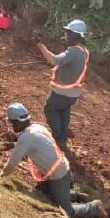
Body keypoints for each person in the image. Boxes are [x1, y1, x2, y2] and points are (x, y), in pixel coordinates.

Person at [0, 102, 106, 218]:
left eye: (12, 122)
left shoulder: (26, 138)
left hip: (58, 176)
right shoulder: (38, 127)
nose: (12, 126)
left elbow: (13, 161)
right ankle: (74, 195)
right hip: (61, 168)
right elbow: (37, 146)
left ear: (17, 122)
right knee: (42, 193)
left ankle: (94, 207)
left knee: (67, 211)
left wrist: (2, 175)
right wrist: (14, 146)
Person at [37, 19, 89, 150]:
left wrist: (39, 45)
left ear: (75, 35)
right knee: (64, 110)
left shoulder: (73, 51)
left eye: (68, 34)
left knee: (50, 109)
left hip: (62, 92)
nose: (66, 36)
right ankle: (63, 131)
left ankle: (59, 138)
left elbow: (54, 60)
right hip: (74, 93)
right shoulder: (84, 51)